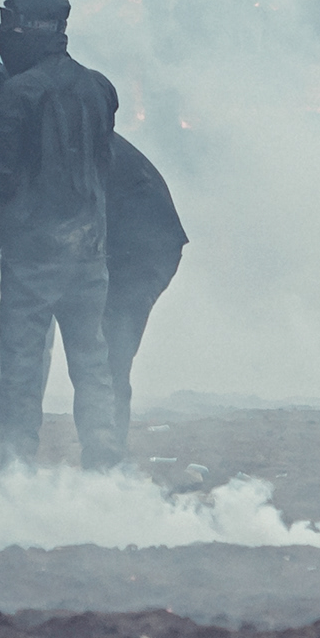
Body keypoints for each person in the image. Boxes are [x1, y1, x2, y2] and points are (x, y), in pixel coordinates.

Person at [0, 0, 126, 470]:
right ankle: (103, 461)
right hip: (89, 251)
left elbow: (0, 177)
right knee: (92, 364)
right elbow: (102, 163)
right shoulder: (100, 87)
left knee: (20, 367)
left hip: (35, 252)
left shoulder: (19, 94)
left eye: (10, 25)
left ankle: (18, 467)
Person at [104, 131, 186, 436]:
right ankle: (108, 454)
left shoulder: (75, 137)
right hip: (137, 246)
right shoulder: (80, 125)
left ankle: (109, 456)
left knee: (111, 355)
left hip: (140, 252)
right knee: (108, 355)